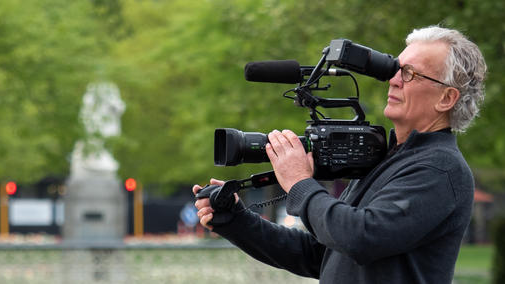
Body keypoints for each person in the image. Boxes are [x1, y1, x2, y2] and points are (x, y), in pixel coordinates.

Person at [193, 25, 487, 283]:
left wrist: (298, 182)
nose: (394, 80)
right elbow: (318, 254)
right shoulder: (387, 158)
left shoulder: (441, 169)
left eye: (410, 74)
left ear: (446, 98)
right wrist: (236, 221)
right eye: (396, 69)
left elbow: (361, 237)